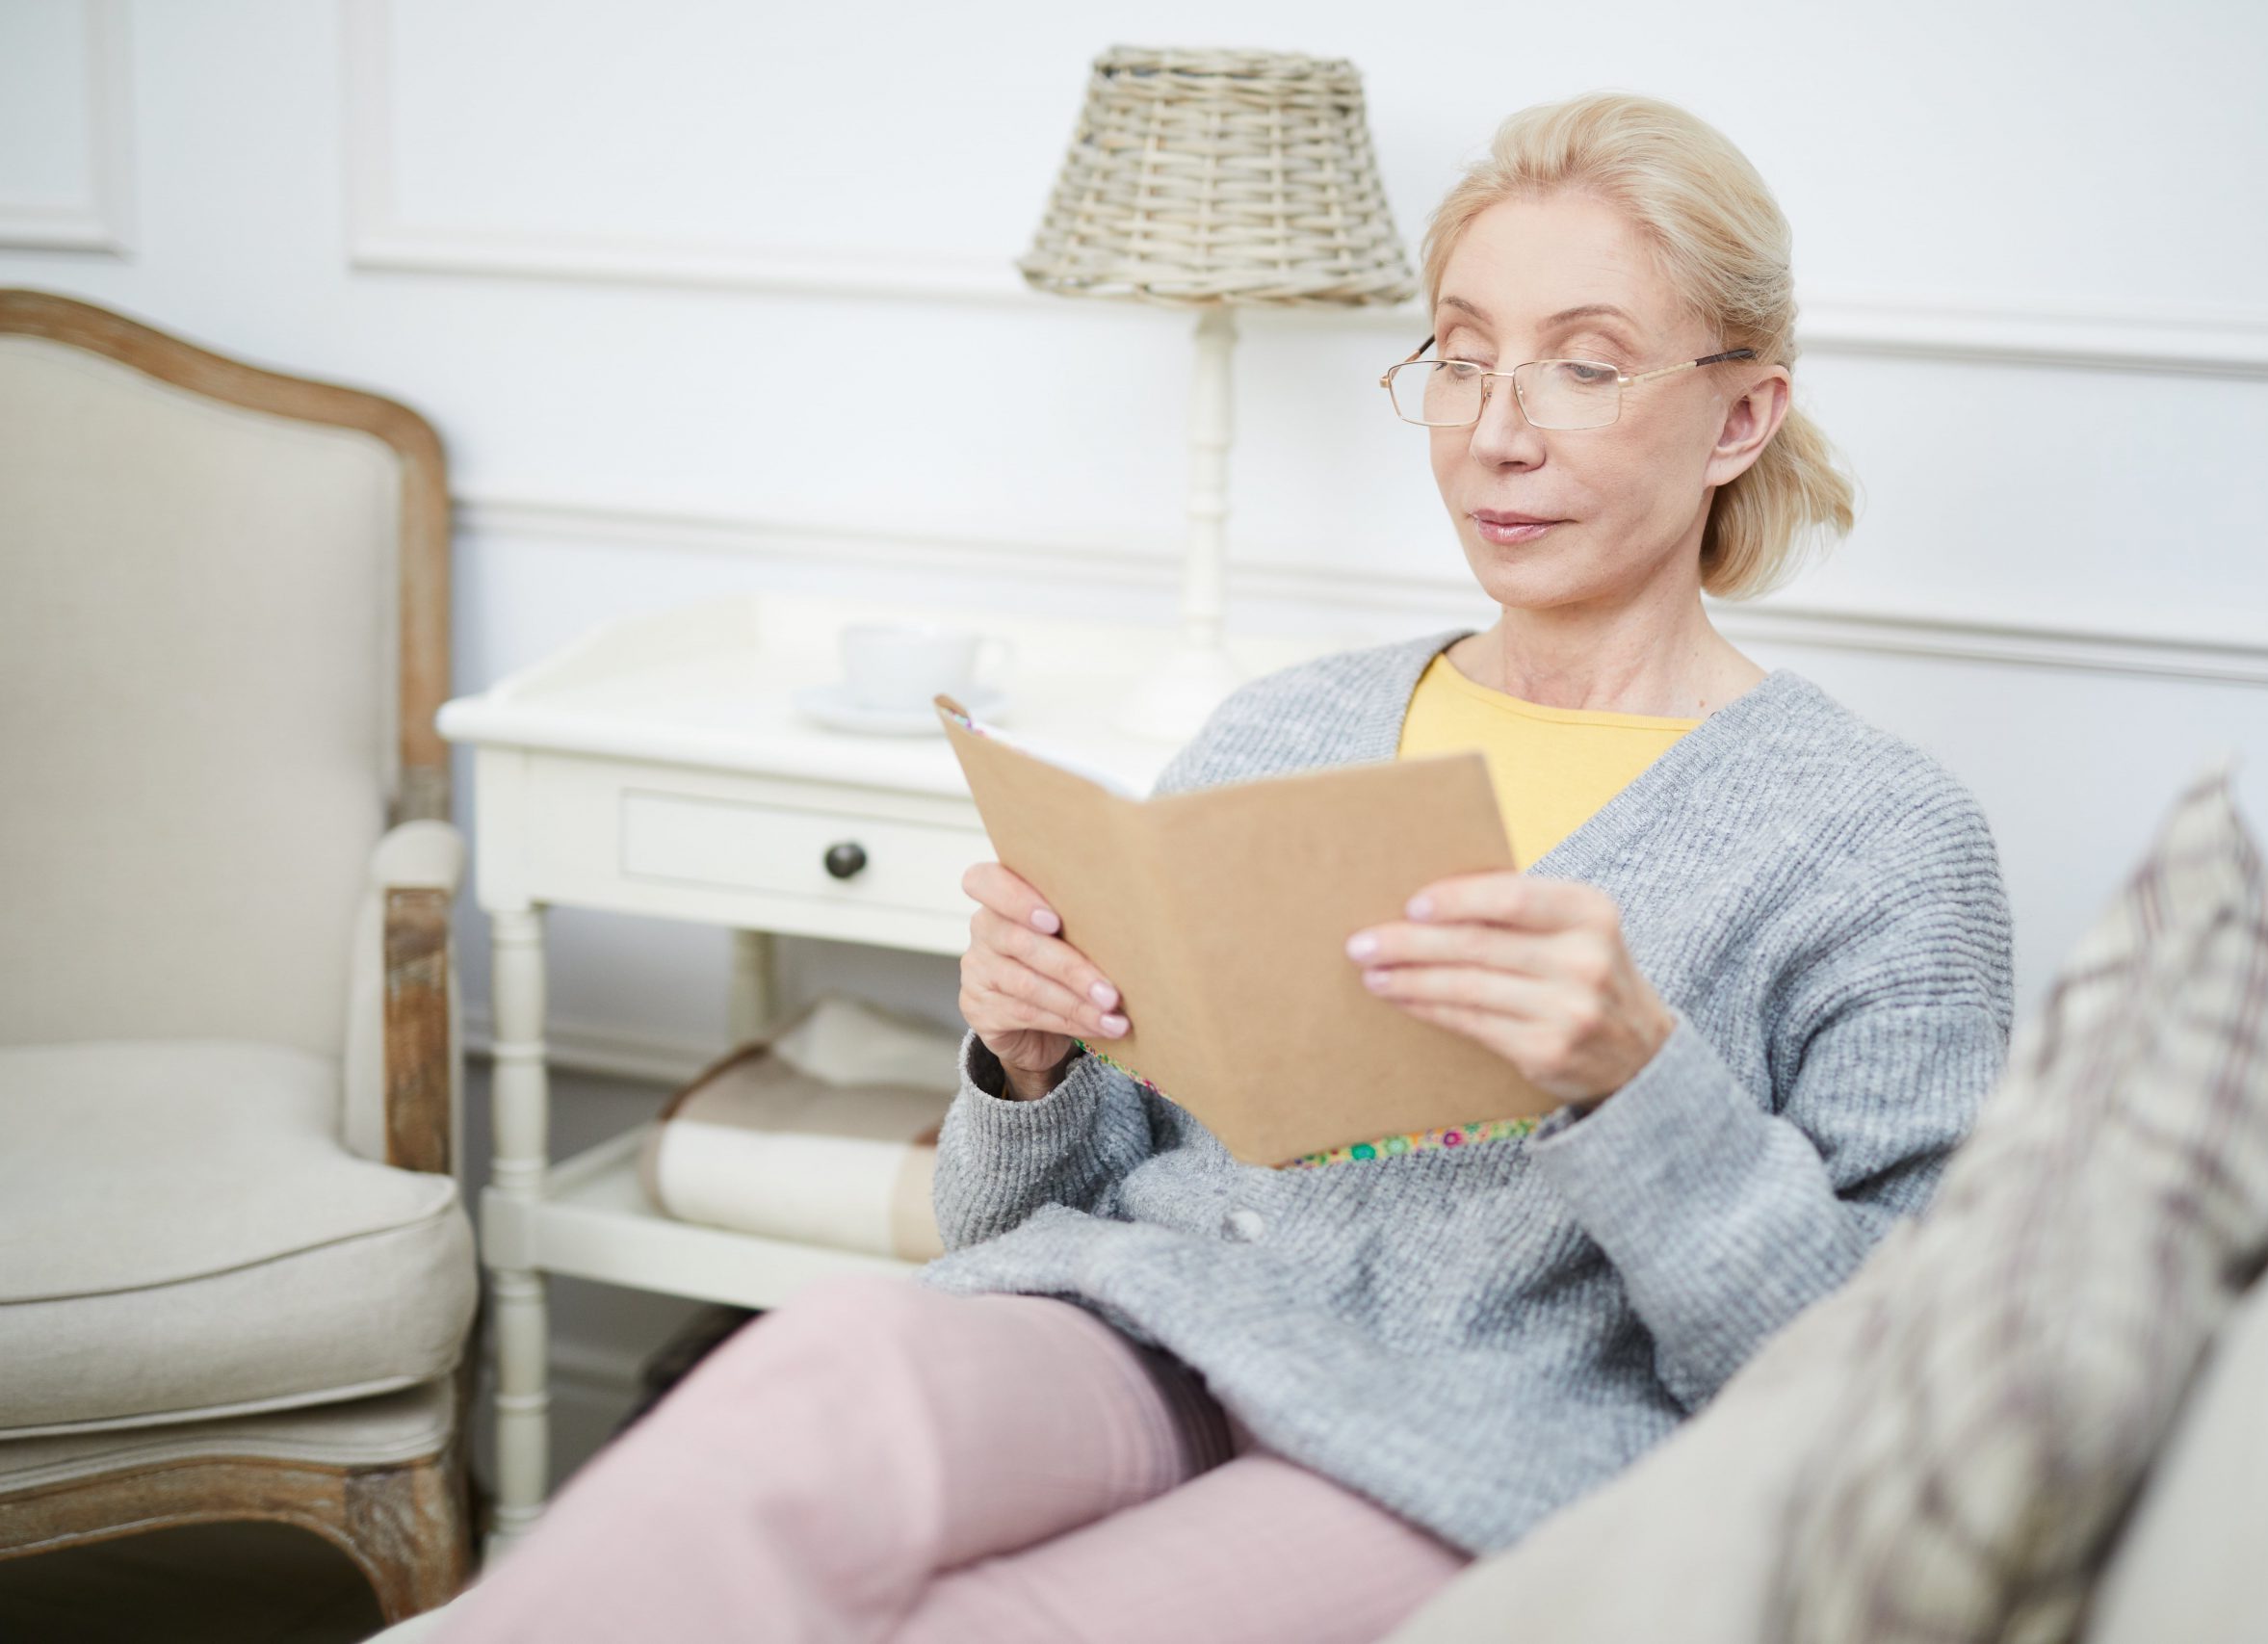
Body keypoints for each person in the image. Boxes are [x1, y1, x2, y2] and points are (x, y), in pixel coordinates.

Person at [436, 90, 2015, 1644]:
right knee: (799, 1390)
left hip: (1477, 1440)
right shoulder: (1287, 728)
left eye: (1584, 367)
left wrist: (1634, 1078)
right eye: (1460, 360)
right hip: (1144, 1325)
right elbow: (1009, 1230)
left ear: (1741, 416)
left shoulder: (1878, 837)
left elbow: (1867, 1389)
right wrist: (1028, 1060)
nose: (1497, 430)